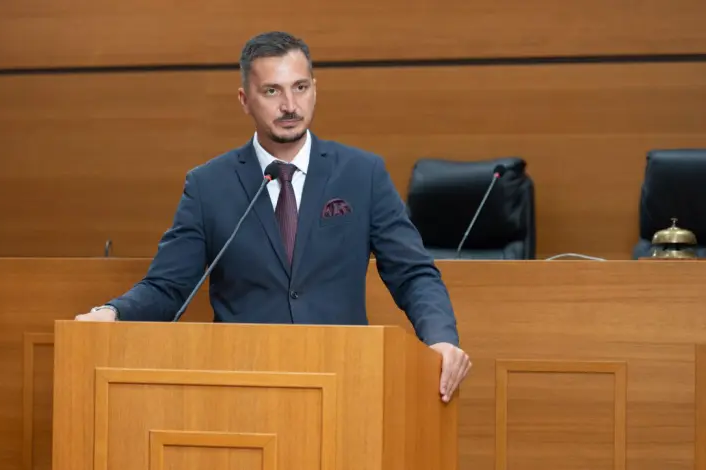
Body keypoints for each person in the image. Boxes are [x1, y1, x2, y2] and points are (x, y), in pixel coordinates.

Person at [75, 31, 471, 402]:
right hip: (242, 384)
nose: (290, 106)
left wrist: (440, 338)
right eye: (271, 91)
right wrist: (113, 313)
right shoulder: (208, 185)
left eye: (300, 87)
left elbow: (412, 273)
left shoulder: (362, 174)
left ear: (315, 89)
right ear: (244, 99)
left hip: (343, 379)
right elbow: (168, 287)